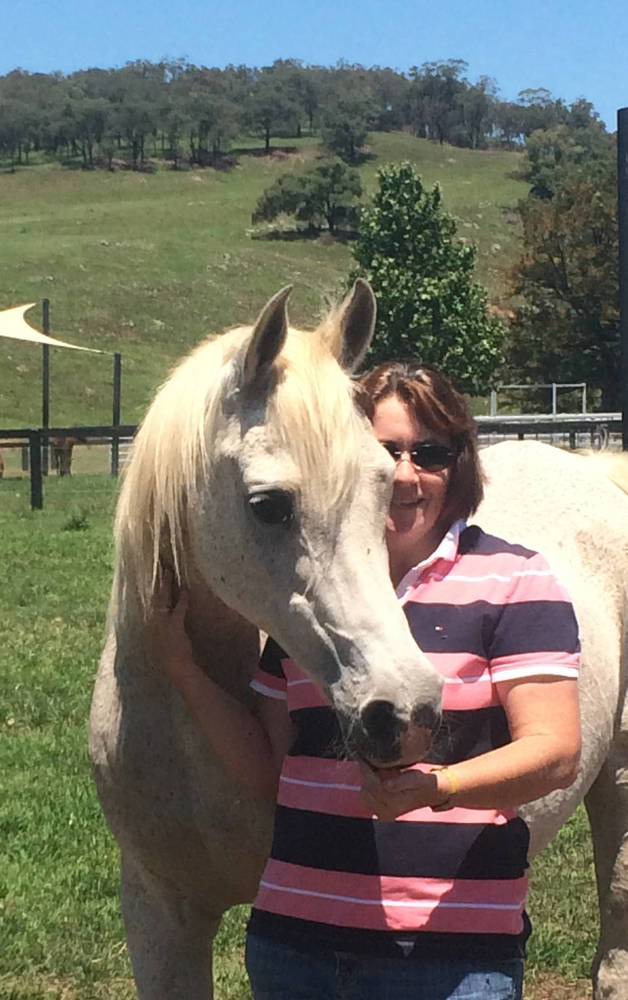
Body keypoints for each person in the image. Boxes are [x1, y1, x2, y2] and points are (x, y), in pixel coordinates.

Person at [150, 361, 581, 1000]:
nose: (406, 474)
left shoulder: (516, 580)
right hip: (296, 947)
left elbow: (556, 752)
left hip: (449, 957)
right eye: (386, 451)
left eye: (430, 454)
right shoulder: (309, 593)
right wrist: (183, 670)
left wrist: (437, 788)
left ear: (458, 465)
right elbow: (269, 768)